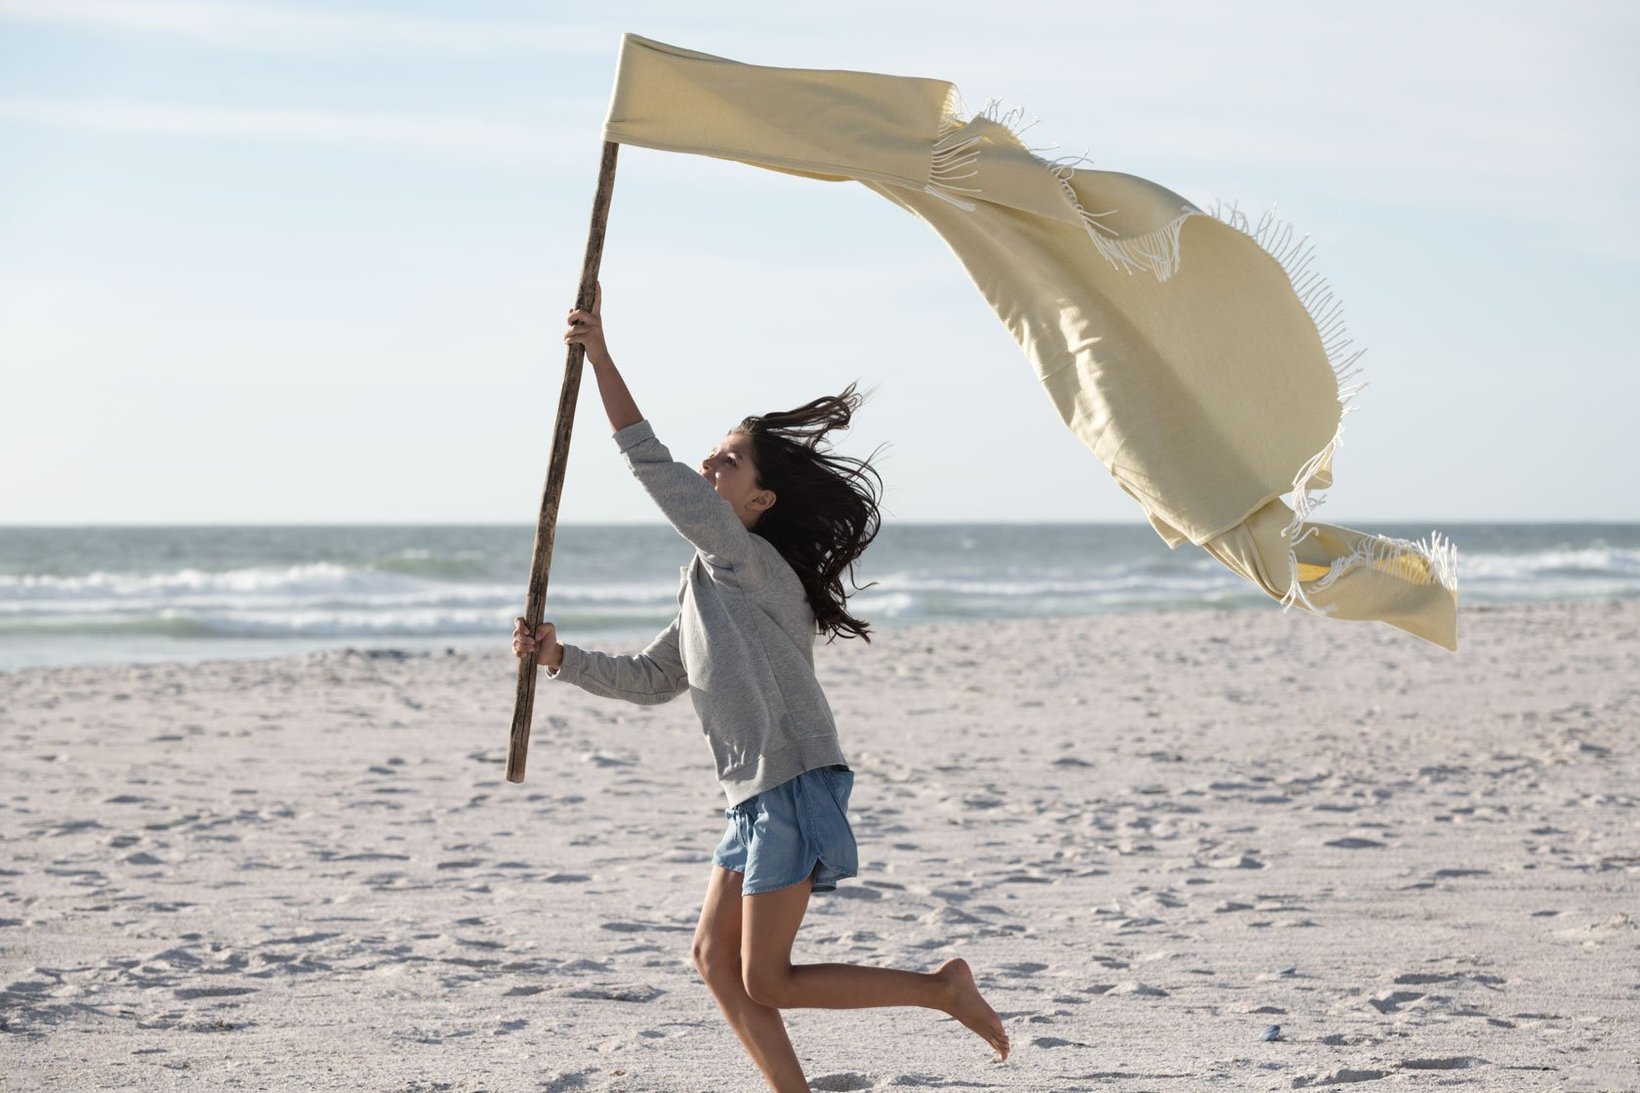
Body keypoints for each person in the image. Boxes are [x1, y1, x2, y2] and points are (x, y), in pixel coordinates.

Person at [511, 286, 1010, 1091]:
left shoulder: (748, 561)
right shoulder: (707, 579)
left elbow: (651, 465)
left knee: (767, 978)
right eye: (714, 455)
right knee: (714, 958)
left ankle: (943, 988)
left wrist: (600, 357)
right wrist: (560, 657)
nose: (710, 467)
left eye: (727, 461)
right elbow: (654, 678)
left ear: (758, 502)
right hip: (753, 794)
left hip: (792, 779)